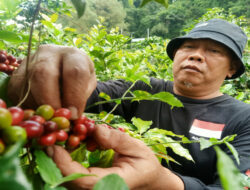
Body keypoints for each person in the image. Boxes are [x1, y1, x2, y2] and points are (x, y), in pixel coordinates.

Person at [7, 18, 250, 190]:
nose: (195, 55)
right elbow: (87, 93)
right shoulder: (144, 90)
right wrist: (58, 72)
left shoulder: (244, 118)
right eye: (188, 46)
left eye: (214, 50)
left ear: (232, 69)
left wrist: (161, 182)